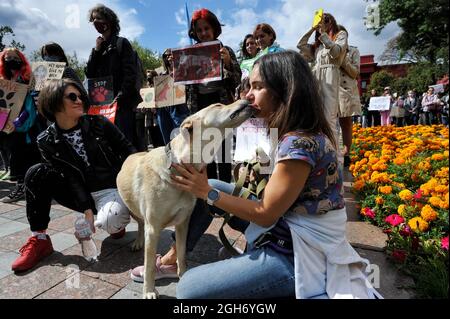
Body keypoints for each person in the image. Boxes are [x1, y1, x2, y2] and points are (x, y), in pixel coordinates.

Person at [168, 51, 377, 299]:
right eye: (250, 86)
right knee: (214, 185)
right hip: (287, 227)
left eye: (258, 87)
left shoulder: (299, 144)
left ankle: (284, 283)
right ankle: (178, 255)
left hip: (299, 253)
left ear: (284, 91)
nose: (248, 94)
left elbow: (265, 214)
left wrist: (205, 191)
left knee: (188, 290)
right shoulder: (293, 132)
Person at [11, 79, 136, 272]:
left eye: (80, 96)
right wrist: (86, 209)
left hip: (109, 187)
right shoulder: (45, 140)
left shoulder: (98, 123)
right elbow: (69, 176)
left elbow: (129, 151)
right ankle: (40, 239)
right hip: (78, 193)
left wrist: (134, 188)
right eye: (72, 96)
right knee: (36, 173)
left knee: (112, 221)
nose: (79, 100)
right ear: (53, 102)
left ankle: (114, 222)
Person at [185, 8, 242, 182]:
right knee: (205, 151)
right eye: (199, 30)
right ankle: (208, 191)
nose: (203, 33)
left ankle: (224, 190)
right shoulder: (189, 53)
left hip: (220, 105)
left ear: (214, 28)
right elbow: (182, 86)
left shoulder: (225, 50)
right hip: (199, 106)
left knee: (223, 150)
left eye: (206, 29)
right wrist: (178, 68)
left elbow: (237, 80)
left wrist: (228, 64)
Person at [85, 4, 143, 148]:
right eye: (93, 20)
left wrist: (119, 99)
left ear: (108, 20)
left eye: (98, 18)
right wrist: (96, 51)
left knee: (125, 143)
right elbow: (89, 74)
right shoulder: (98, 48)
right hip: (102, 107)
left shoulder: (121, 43)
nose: (95, 22)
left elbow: (130, 75)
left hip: (121, 106)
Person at [0, 48, 43, 203]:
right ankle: (22, 188)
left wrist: (19, 122)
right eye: (7, 57)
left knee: (27, 156)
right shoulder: (3, 80)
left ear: (21, 59)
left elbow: (31, 105)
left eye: (14, 56)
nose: (11, 59)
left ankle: (25, 188)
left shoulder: (28, 78)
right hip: (8, 126)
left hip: (27, 125)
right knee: (15, 156)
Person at [297, 13, 348, 143]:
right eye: (320, 21)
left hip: (331, 76)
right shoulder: (317, 46)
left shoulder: (340, 35)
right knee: (316, 119)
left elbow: (336, 52)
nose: (322, 23)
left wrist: (324, 35)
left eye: (325, 20)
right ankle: (322, 152)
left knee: (329, 118)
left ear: (332, 22)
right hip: (316, 79)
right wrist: (312, 29)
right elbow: (300, 44)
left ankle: (336, 158)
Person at [337, 26, 361, 167]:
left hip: (346, 91)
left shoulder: (353, 51)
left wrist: (343, 60)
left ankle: (346, 153)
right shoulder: (327, 50)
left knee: (346, 123)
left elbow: (355, 73)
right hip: (330, 90)